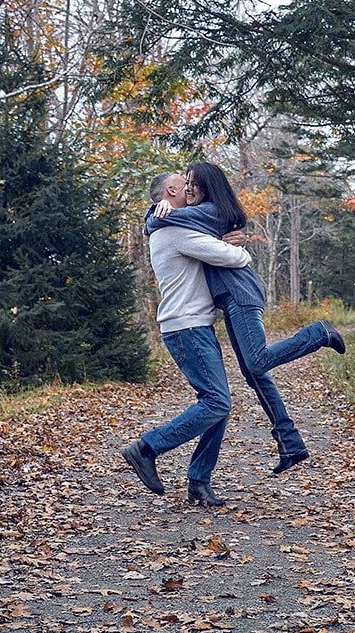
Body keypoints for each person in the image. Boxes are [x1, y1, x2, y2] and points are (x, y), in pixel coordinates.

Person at [145, 162, 345, 475]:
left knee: (256, 362)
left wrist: (151, 215)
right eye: (184, 183)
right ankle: (289, 441)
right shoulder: (204, 219)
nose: (187, 188)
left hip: (240, 296)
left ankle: (318, 333)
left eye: (192, 183)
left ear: (208, 187)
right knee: (254, 373)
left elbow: (183, 222)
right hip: (228, 300)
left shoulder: (207, 211)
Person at [120, 172, 252, 507]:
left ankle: (198, 481)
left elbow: (211, 240)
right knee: (217, 403)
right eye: (185, 183)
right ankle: (147, 448)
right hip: (186, 327)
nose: (191, 187)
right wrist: (237, 246)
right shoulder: (173, 228)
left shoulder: (172, 223)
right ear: (171, 191)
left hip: (193, 325)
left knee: (217, 406)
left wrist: (224, 237)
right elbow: (232, 258)